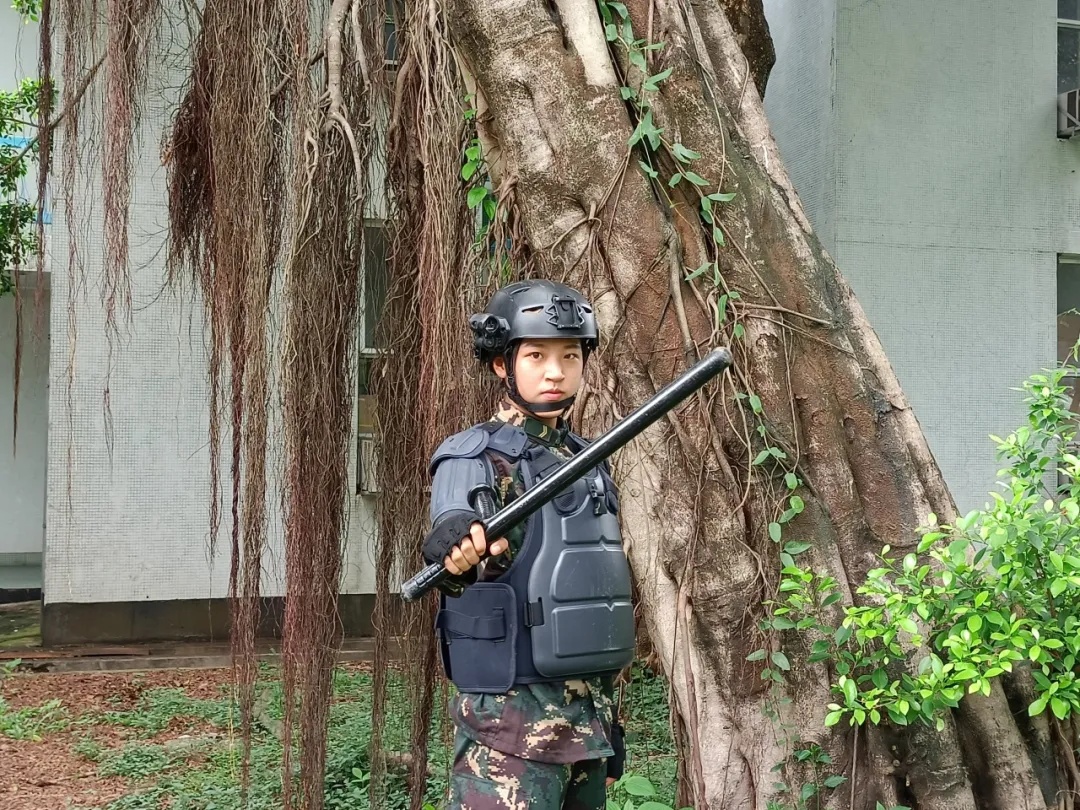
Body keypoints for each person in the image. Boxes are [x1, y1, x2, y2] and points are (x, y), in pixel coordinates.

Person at [422, 280, 635, 810]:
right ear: (502, 364)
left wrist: (609, 733)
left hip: (588, 729)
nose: (555, 372)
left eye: (569, 356)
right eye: (537, 355)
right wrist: (456, 542)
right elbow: (454, 524)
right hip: (509, 733)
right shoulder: (474, 456)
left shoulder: (590, 460)